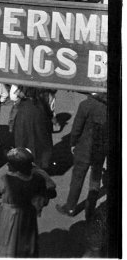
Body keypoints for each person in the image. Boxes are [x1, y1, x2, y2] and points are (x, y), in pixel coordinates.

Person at [0, 147, 52, 257]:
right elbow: (43, 200)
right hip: (27, 216)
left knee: (7, 240)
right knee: (25, 241)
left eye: (10, 163)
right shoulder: (37, 179)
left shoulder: (5, 180)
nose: (7, 165)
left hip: (8, 216)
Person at [56, 91, 107, 220]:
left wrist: (73, 143)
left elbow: (77, 128)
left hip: (84, 148)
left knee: (77, 179)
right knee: (95, 181)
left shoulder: (86, 105)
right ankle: (90, 212)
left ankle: (71, 208)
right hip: (100, 150)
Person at [9, 87, 54, 171]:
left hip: (23, 117)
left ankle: (23, 163)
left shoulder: (21, 101)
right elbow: (50, 107)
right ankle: (39, 164)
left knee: (23, 141)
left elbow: (13, 97)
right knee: (39, 142)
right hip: (38, 115)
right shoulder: (42, 98)